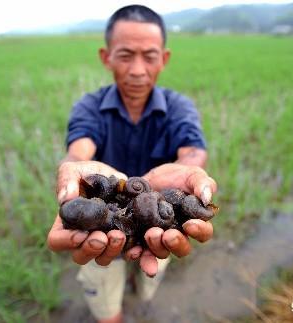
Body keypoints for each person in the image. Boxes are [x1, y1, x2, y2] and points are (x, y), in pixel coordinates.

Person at [47, 5, 217, 323]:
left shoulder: (179, 107)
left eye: (149, 56)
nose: (138, 70)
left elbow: (193, 149)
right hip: (104, 237)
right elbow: (79, 150)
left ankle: (138, 295)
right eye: (125, 55)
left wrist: (188, 168)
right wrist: (74, 168)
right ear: (106, 56)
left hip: (154, 229)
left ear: (163, 59)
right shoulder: (90, 107)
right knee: (106, 304)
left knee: (148, 276)